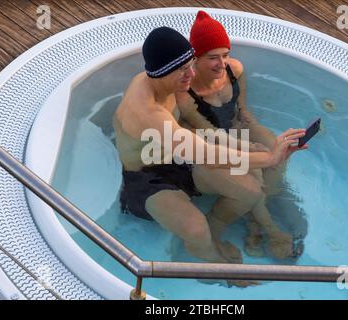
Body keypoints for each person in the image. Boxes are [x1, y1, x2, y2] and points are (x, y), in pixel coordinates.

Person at [113, 26, 306, 272]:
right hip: (146, 178)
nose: (190, 74)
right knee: (196, 229)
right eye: (183, 70)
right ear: (162, 73)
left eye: (190, 65)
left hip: (176, 159)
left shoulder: (164, 83)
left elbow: (200, 139)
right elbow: (206, 154)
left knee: (249, 190)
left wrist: (248, 148)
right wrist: (268, 158)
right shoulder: (146, 113)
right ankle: (213, 260)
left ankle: (217, 229)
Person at [176, 11, 308, 259]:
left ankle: (255, 218)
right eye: (212, 57)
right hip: (210, 144)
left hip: (236, 128)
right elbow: (208, 133)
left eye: (225, 54)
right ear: (196, 57)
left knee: (279, 149)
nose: (221, 63)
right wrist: (248, 149)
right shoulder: (186, 92)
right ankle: (268, 228)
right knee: (254, 171)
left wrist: (251, 125)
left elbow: (242, 107)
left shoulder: (235, 70)